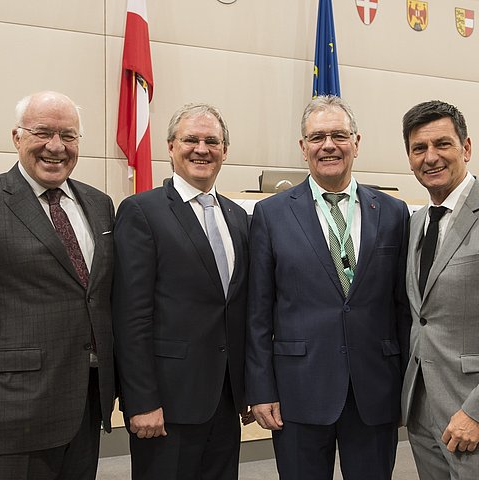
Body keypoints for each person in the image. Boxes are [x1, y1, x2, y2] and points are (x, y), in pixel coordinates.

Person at [245, 95, 412, 480]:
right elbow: (258, 312)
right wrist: (261, 388)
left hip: (375, 389)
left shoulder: (392, 212)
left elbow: (401, 307)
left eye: (338, 134)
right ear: (303, 148)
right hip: (298, 389)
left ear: (356, 142)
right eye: (317, 136)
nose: (328, 145)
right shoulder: (270, 214)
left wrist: (405, 387)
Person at [112, 103, 252, 480]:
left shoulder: (238, 218)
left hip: (224, 401)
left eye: (212, 141)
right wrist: (141, 402)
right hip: (166, 404)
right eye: (191, 139)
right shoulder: (142, 211)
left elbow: (236, 309)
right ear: (171, 146)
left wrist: (245, 390)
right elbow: (131, 315)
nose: (201, 149)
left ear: (225, 150)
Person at [0, 91, 115, 479]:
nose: (55, 146)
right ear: (17, 138)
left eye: (68, 135)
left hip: (86, 400)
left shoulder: (99, 204)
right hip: (15, 409)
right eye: (43, 132)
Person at [401, 100, 479, 479]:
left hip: (471, 413)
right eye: (419, 148)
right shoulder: (416, 223)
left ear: (466, 148)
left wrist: (476, 412)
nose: (430, 157)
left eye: (442, 144)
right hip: (422, 412)